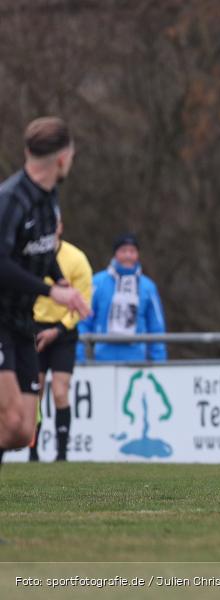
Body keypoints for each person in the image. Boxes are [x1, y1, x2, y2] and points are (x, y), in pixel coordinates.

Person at [0, 116, 91, 468]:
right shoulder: (11, 200)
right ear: (63, 158)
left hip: (24, 321)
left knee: (22, 431)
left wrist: (58, 278)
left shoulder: (50, 197)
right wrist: (51, 293)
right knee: (10, 423)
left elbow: (42, 248)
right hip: (2, 319)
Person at [30, 218, 93, 461]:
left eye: (53, 224)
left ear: (60, 227)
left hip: (63, 330)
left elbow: (82, 302)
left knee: (59, 392)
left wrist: (58, 330)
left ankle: (62, 454)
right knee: (35, 391)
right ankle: (33, 453)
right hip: (33, 328)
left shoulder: (76, 259)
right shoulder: (30, 257)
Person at [77, 234, 166, 362]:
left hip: (137, 360)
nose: (128, 256)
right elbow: (84, 321)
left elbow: (156, 327)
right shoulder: (97, 283)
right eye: (123, 251)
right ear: (115, 254)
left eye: (132, 251)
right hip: (102, 359)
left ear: (138, 254)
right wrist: (79, 358)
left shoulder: (148, 287)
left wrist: (159, 362)